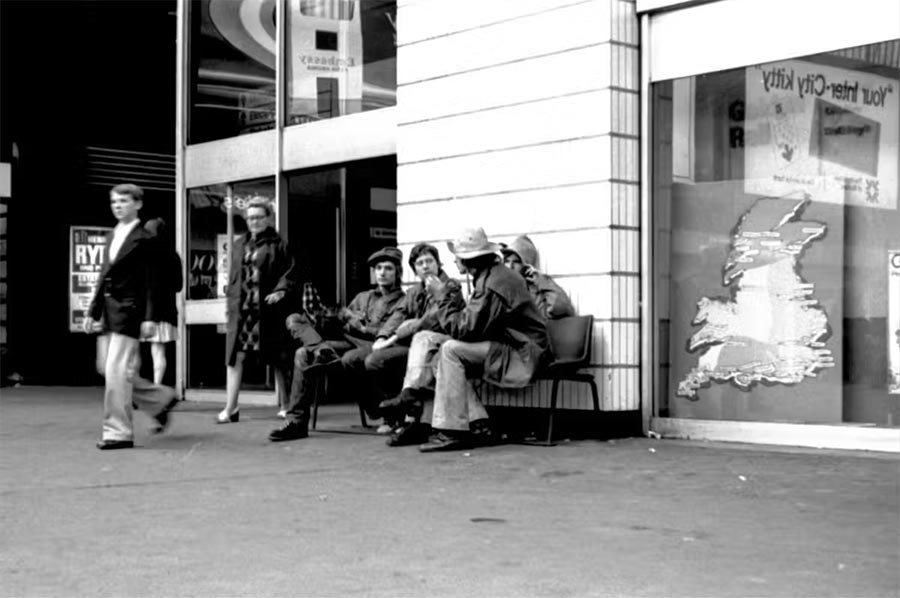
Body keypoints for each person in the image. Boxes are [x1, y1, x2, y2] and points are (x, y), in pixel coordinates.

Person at [417, 227, 549, 453]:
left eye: (457, 257)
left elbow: (464, 330)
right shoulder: (493, 275)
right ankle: (478, 424)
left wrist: (441, 296)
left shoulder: (491, 284)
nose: (455, 262)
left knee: (449, 350)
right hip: (513, 346)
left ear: (470, 260)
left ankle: (452, 431)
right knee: (440, 349)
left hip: (523, 353)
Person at [269, 247, 405, 442]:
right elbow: (342, 319)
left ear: (398, 272)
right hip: (347, 342)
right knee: (300, 347)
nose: (382, 272)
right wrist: (341, 316)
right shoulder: (363, 297)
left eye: (388, 268)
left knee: (351, 358)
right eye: (378, 268)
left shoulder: (402, 300)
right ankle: (297, 422)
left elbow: (391, 332)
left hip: (374, 347)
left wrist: (364, 328)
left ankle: (381, 410)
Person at [82, 183, 178, 450]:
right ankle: (159, 398)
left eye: (123, 201)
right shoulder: (113, 235)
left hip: (130, 310)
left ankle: (118, 432)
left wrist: (149, 317)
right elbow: (104, 275)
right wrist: (93, 311)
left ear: (137, 204)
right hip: (110, 311)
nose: (117, 206)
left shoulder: (145, 238)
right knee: (105, 368)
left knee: (115, 371)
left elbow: (151, 282)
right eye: (114, 201)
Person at [364, 243, 465, 435]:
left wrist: (403, 331)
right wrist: (383, 336)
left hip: (442, 343)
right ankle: (398, 414)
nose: (425, 266)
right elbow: (399, 315)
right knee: (373, 359)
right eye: (420, 263)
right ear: (414, 269)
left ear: (438, 264)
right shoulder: (414, 291)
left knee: (379, 359)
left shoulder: (450, 285)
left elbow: (432, 320)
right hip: (416, 346)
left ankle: (404, 409)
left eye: (429, 261)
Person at [219, 197, 299, 423]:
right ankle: (231, 408)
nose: (253, 221)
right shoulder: (238, 244)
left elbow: (291, 272)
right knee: (236, 357)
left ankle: (285, 405)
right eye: (250, 217)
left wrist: (281, 290)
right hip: (242, 312)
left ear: (268, 218)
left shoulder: (279, 244)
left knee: (279, 359)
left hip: (268, 310)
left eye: (258, 217)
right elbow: (233, 278)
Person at [140, 218, 183, 386]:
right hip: (167, 312)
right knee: (159, 354)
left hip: (147, 312)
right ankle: (156, 389)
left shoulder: (145, 255)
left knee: (137, 354)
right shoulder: (173, 256)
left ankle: (137, 392)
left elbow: (147, 286)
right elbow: (178, 286)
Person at [500, 235, 575, 320]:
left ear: (526, 266)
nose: (510, 266)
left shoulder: (534, 291)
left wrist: (542, 281)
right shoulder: (498, 286)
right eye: (507, 261)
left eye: (516, 262)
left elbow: (561, 307)